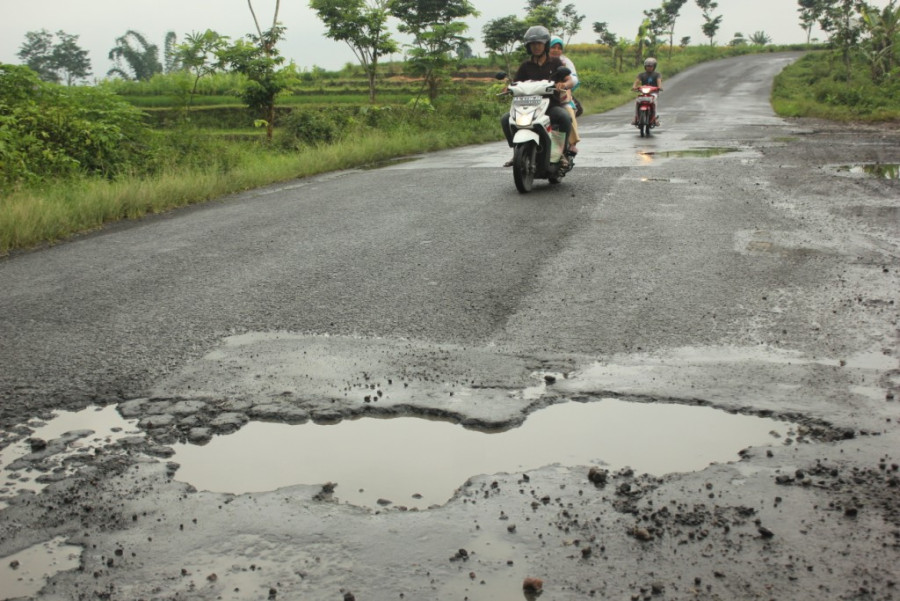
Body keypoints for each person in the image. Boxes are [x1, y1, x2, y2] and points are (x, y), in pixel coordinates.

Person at [501, 25, 575, 168]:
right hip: (527, 106)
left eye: (539, 43)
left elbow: (569, 79)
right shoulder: (525, 66)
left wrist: (564, 85)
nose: (536, 47)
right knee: (506, 119)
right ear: (528, 47)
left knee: (565, 117)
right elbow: (516, 83)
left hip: (549, 106)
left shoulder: (555, 63)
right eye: (532, 44)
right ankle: (516, 152)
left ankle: (561, 153)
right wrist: (508, 88)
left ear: (545, 44)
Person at [548, 36, 580, 154]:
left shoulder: (564, 62)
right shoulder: (535, 62)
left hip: (560, 97)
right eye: (553, 47)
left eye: (558, 48)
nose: (556, 50)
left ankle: (571, 143)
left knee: (568, 112)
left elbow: (573, 78)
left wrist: (564, 84)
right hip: (541, 98)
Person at [632, 57, 663, 126]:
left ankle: (655, 118)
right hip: (643, 92)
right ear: (645, 66)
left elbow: (659, 81)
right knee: (637, 101)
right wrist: (634, 87)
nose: (649, 67)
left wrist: (659, 87)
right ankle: (635, 117)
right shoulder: (641, 74)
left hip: (653, 93)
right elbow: (637, 81)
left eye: (651, 66)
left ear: (654, 67)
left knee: (654, 102)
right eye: (647, 66)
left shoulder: (657, 74)